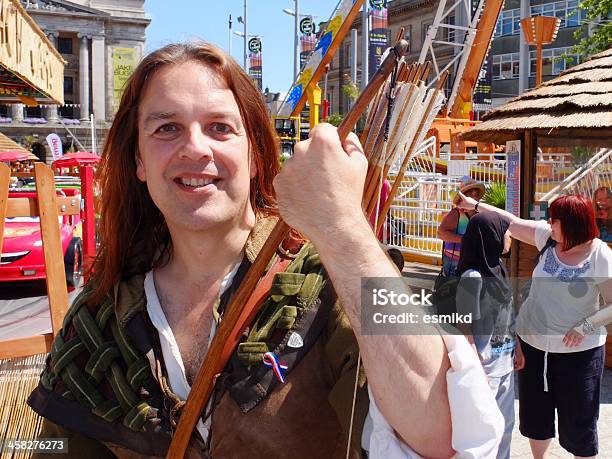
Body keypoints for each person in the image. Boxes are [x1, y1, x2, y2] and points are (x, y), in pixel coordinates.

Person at [27, 42, 503, 458]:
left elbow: (447, 434)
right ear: (138, 161)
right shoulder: (98, 316)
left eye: (219, 127)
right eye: (166, 128)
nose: (195, 148)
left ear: (256, 154)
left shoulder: (331, 284)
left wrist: (342, 228)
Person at [455, 192, 612, 459]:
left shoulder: (599, 255)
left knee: (579, 421)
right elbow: (510, 222)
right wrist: (475, 206)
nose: (549, 224)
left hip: (579, 354)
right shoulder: (548, 239)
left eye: (555, 220)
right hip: (533, 346)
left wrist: (586, 326)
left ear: (573, 222)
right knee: (535, 415)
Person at [455, 212, 516, 459]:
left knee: (505, 427)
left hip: (505, 364)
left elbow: (508, 313)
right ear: (490, 236)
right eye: (506, 232)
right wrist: (473, 364)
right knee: (484, 430)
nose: (510, 237)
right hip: (485, 369)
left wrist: (518, 348)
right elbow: (464, 325)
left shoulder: (498, 269)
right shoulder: (472, 277)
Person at [437, 177, 485, 277]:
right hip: (455, 261)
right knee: (453, 290)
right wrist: (465, 239)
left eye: (476, 192)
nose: (473, 194)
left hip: (474, 261)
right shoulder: (457, 213)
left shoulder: (480, 213)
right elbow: (441, 233)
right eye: (470, 192)